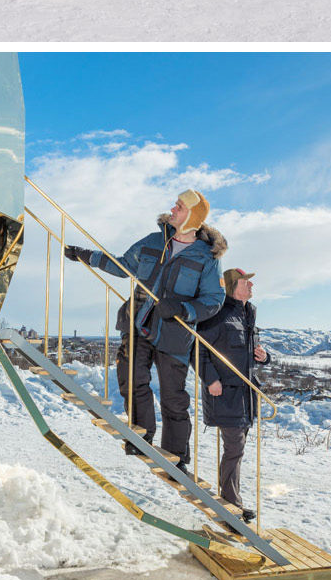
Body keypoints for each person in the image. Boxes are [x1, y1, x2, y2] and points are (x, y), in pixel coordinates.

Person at [64, 190, 226, 466]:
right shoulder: (153, 241)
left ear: (193, 217)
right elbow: (124, 265)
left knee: (173, 397)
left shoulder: (206, 258)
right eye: (175, 205)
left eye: (179, 207)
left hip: (174, 333)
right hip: (138, 322)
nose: (172, 209)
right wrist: (85, 255)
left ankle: (176, 456)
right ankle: (140, 436)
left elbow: (214, 300)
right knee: (130, 377)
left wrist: (183, 310)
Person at [196, 268, 270, 522]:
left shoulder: (246, 314)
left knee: (236, 451)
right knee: (234, 449)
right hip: (225, 393)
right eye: (245, 282)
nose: (251, 286)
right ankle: (231, 504)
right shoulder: (217, 314)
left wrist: (264, 356)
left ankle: (232, 500)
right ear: (231, 286)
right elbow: (198, 349)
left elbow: (246, 354)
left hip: (245, 396)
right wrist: (211, 379)